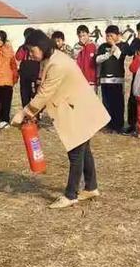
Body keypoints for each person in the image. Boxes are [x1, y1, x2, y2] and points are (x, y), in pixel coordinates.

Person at [11, 30, 110, 209]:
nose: (31, 55)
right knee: (83, 149)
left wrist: (24, 113)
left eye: (32, 51)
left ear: (41, 47)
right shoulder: (50, 59)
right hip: (75, 107)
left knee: (75, 152)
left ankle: (71, 194)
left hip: (77, 109)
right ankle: (91, 187)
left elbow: (45, 93)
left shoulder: (57, 64)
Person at [96, 25, 130, 133]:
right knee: (107, 103)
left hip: (117, 79)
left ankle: (118, 125)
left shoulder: (123, 45)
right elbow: (97, 59)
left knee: (118, 103)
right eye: (107, 35)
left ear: (118, 35)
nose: (108, 37)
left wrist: (113, 45)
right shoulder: (102, 46)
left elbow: (119, 56)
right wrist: (107, 54)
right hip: (105, 79)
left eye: (111, 35)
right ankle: (109, 125)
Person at [15, 28, 41, 108]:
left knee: (35, 97)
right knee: (25, 97)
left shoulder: (39, 48)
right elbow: (18, 57)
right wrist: (23, 48)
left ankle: (35, 116)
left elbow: (42, 61)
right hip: (24, 77)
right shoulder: (23, 48)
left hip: (35, 76)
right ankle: (26, 117)